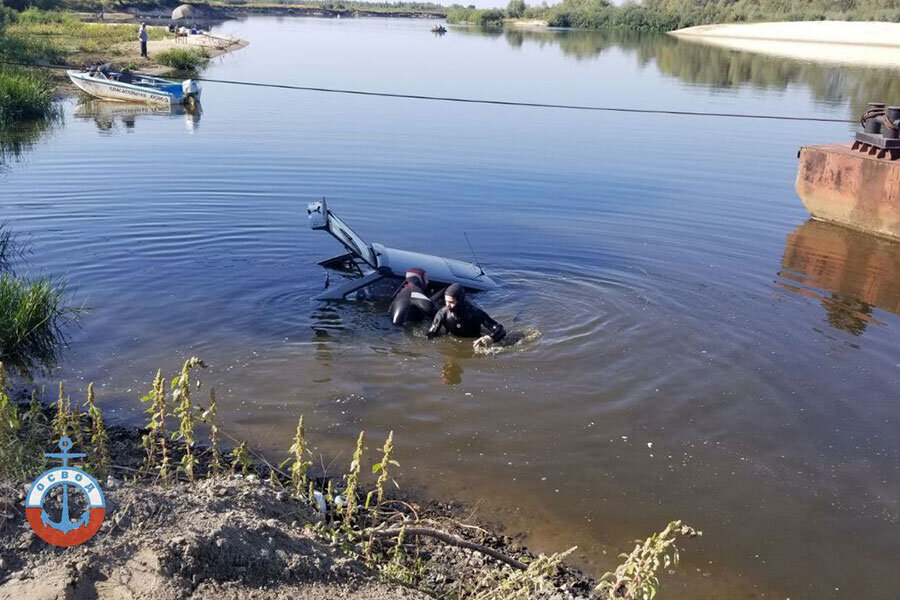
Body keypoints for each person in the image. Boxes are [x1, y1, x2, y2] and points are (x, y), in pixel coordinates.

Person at [427, 283, 505, 349]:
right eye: (446, 301)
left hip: (474, 342)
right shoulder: (442, 313)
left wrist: (490, 338)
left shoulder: (475, 313)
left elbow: (501, 331)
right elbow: (431, 334)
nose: (448, 305)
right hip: (452, 344)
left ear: (460, 300)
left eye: (451, 302)